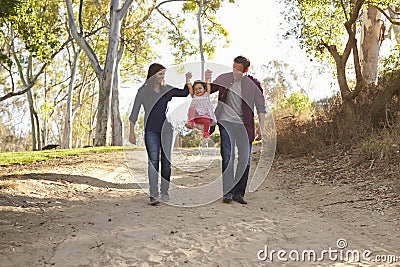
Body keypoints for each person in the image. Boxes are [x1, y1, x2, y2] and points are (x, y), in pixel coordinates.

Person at [129, 63, 189, 205]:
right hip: (151, 131)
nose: (163, 76)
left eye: (164, 74)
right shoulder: (143, 91)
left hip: (167, 130)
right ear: (152, 74)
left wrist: (187, 80)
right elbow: (135, 112)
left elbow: (184, 93)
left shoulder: (166, 89)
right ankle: (154, 194)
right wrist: (132, 132)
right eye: (160, 74)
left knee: (166, 163)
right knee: (153, 162)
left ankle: (165, 192)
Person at [209, 55, 266, 205]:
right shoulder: (224, 78)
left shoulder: (254, 84)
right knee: (228, 156)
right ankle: (228, 192)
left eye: (238, 70)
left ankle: (238, 193)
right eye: (233, 68)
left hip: (244, 126)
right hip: (226, 122)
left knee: (245, 160)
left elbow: (261, 107)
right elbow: (206, 90)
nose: (235, 72)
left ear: (246, 70)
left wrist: (261, 126)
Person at [185, 71, 217, 138]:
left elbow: (208, 85)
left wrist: (207, 78)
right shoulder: (194, 96)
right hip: (196, 117)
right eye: (196, 89)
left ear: (204, 89)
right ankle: (191, 122)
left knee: (207, 119)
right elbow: (190, 87)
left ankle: (206, 132)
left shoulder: (206, 95)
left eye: (200, 88)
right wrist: (187, 79)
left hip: (204, 117)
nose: (198, 90)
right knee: (192, 108)